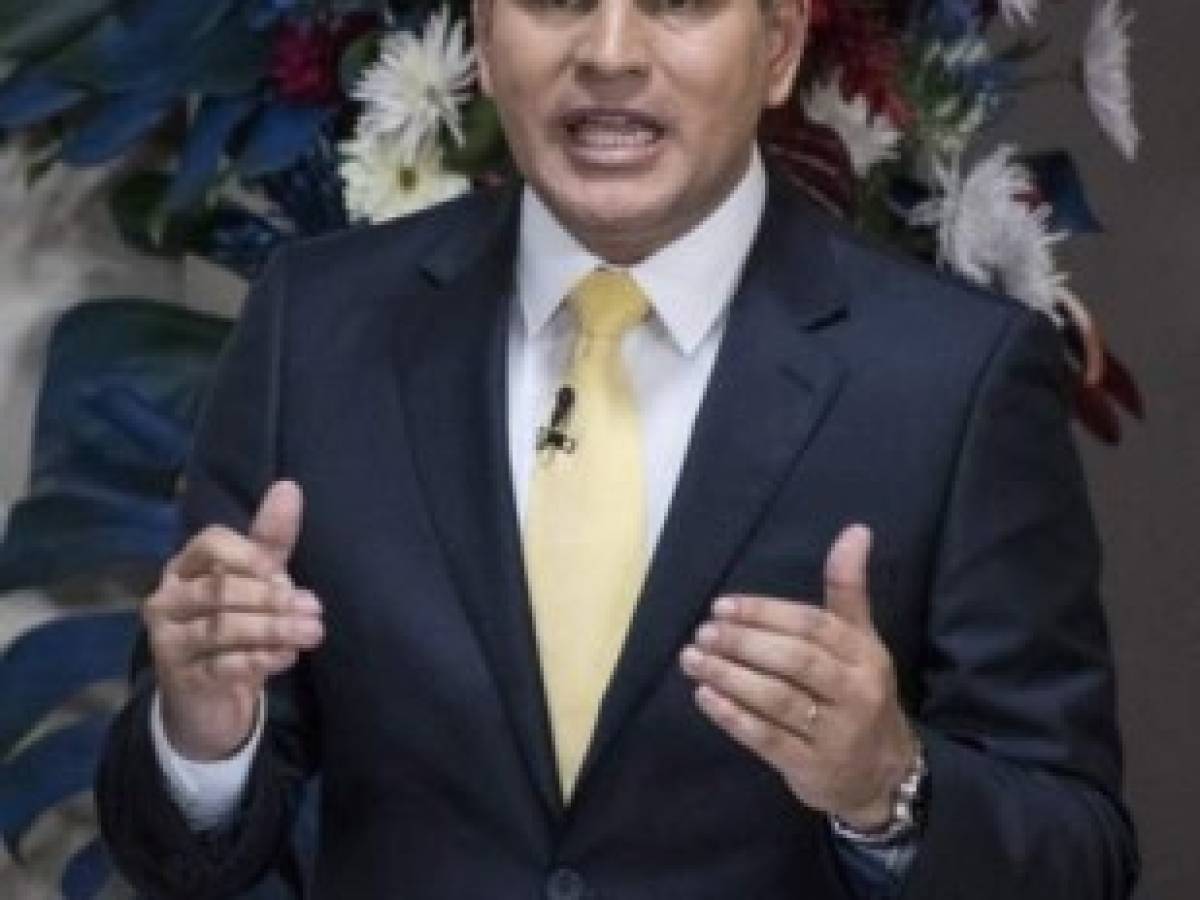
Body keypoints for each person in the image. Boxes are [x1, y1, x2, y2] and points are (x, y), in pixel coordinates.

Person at [95, 0, 1139, 896]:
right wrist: (202, 738)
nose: (608, 51)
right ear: (485, 42)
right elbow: (182, 852)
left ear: (778, 48)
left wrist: (889, 786)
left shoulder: (950, 375)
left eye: (677, 4)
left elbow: (1077, 851)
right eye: (554, 2)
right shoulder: (315, 328)